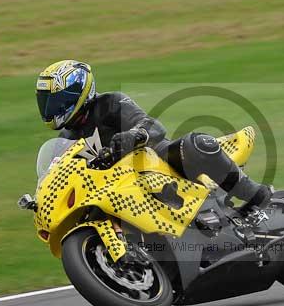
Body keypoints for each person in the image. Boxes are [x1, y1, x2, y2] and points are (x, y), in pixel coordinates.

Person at [35, 59, 271, 213]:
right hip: (119, 188)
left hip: (155, 164)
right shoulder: (67, 138)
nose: (50, 108)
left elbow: (153, 126)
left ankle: (257, 195)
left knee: (195, 144)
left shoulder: (109, 104)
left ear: (77, 92)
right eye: (45, 102)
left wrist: (133, 136)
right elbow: (59, 174)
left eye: (55, 100)